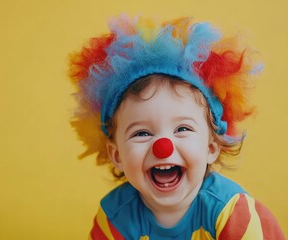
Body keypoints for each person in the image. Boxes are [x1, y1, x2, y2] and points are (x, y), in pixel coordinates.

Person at [68, 15, 285, 239]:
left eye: (182, 129)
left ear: (211, 147)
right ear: (117, 155)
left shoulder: (233, 212)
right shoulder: (114, 219)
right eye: (142, 133)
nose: (164, 146)